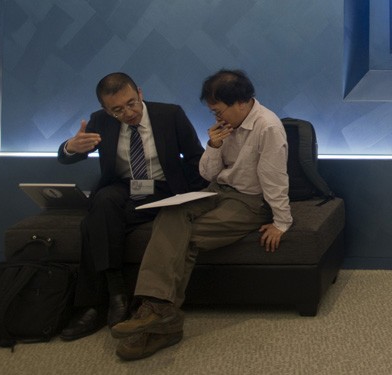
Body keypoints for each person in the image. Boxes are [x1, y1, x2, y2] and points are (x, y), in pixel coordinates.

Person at [110, 69, 292, 361]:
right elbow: (207, 174)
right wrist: (214, 145)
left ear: (241, 103)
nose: (216, 118)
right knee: (170, 215)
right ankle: (159, 311)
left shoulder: (267, 127)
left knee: (182, 239)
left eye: (218, 111)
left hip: (249, 201)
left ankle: (160, 321)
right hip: (217, 190)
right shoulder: (225, 127)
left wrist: (282, 222)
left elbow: (274, 178)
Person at [57, 72, 205, 341]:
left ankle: (93, 306)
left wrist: (191, 197)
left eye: (132, 103)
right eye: (117, 110)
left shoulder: (170, 115)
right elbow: (67, 158)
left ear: (139, 92)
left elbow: (197, 158)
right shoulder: (101, 121)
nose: (128, 113)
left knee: (92, 223)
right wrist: (70, 147)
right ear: (105, 110)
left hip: (162, 189)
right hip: (123, 186)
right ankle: (117, 293)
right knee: (102, 202)